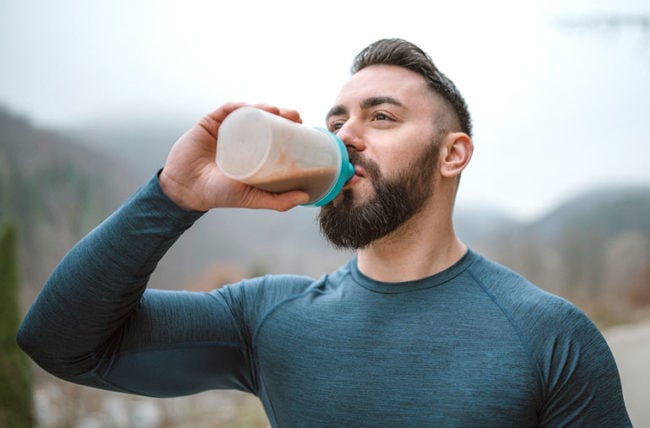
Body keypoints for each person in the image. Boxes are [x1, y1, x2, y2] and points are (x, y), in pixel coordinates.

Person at [17, 38, 631, 427]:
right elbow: (61, 342)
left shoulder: (548, 335)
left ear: (453, 155)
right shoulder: (266, 319)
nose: (346, 136)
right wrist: (173, 195)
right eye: (336, 121)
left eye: (381, 117)